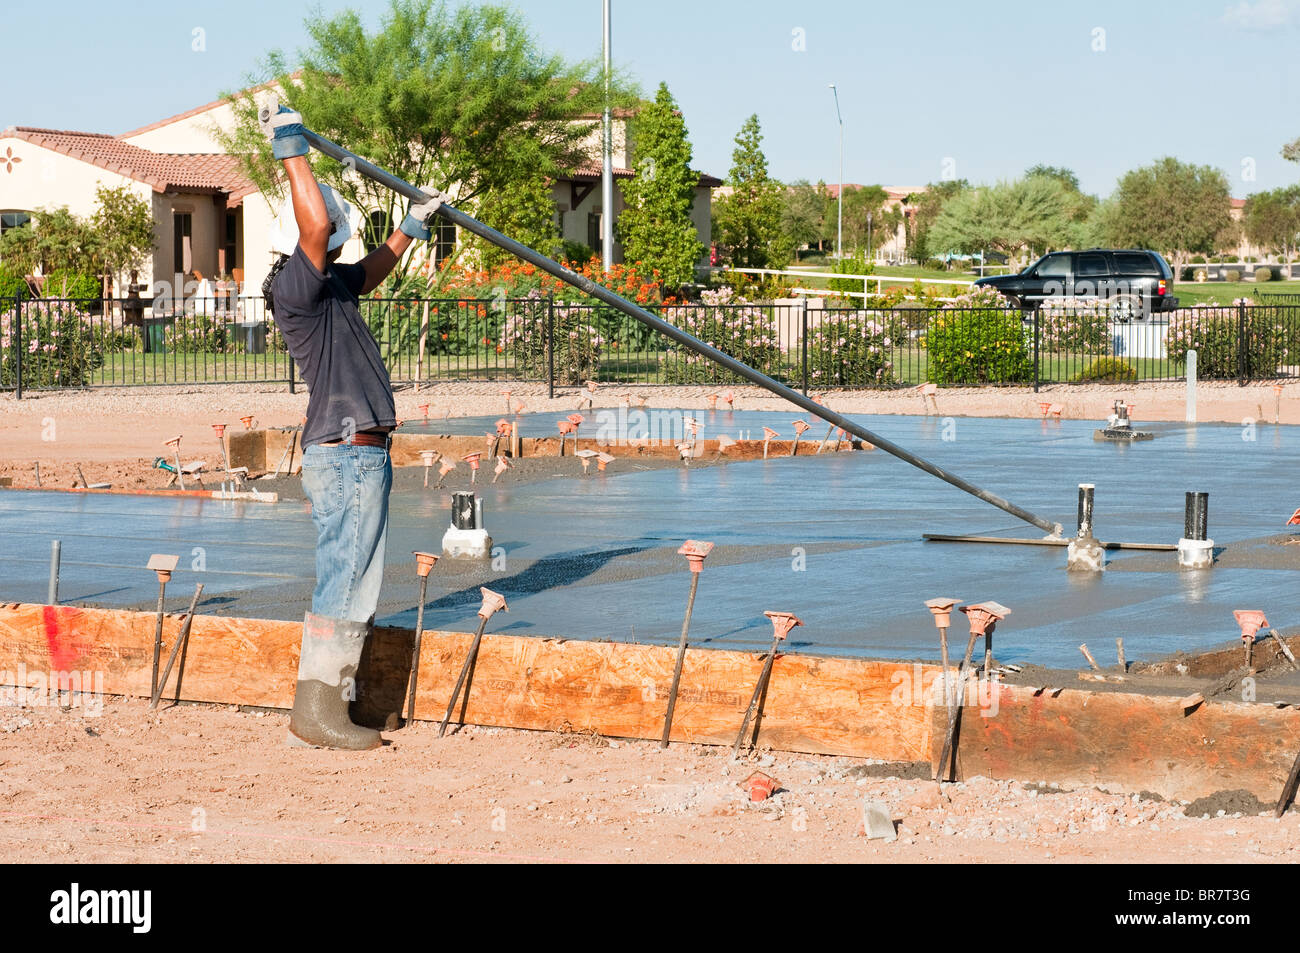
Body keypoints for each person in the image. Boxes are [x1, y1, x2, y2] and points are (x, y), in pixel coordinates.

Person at [260, 105, 445, 750]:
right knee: (346, 577)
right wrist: (290, 144)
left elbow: (372, 270)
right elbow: (311, 220)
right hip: (345, 455)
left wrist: (411, 226)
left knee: (354, 575)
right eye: (332, 232)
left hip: (357, 455)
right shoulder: (297, 287)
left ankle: (330, 703)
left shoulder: (335, 283)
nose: (334, 239)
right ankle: (317, 711)